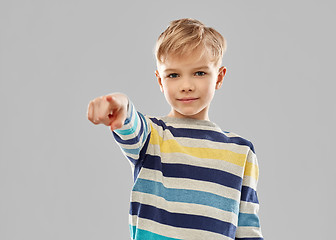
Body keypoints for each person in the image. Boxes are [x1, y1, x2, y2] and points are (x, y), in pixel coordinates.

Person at [87, 18, 263, 240]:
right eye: (173, 75)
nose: (186, 85)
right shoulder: (151, 137)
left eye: (199, 73)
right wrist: (119, 105)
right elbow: (130, 122)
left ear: (219, 77)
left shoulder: (241, 152)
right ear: (160, 81)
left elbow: (248, 231)